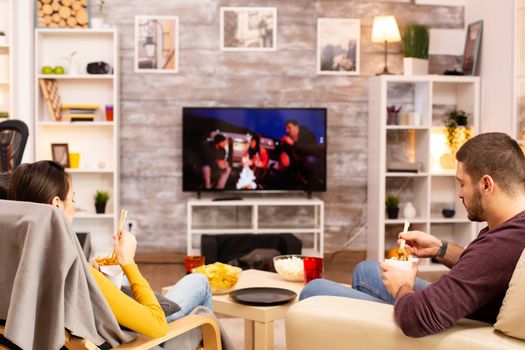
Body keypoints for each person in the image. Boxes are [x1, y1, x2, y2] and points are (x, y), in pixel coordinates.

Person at [300, 132, 525, 337]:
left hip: (441, 322)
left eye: (461, 183)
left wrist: (402, 286)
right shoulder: (514, 225)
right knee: (368, 271)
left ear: (486, 185)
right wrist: (440, 249)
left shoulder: (500, 245)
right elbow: (488, 273)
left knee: (314, 291)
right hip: (472, 305)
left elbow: (417, 319)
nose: (459, 193)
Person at [8, 160, 213, 339]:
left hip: (84, 329)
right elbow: (157, 325)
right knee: (199, 282)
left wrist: (94, 278)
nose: (74, 208)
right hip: (135, 340)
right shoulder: (73, 268)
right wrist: (128, 262)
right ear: (57, 205)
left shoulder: (17, 263)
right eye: (73, 199)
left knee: (120, 282)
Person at [279, 120, 322, 189]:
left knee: (310, 160)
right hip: (296, 165)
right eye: (286, 129)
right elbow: (286, 153)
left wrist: (293, 143)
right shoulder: (288, 138)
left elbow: (310, 150)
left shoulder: (308, 135)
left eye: (289, 128)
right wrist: (283, 154)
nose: (287, 131)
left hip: (310, 162)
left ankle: (313, 187)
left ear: (296, 127)